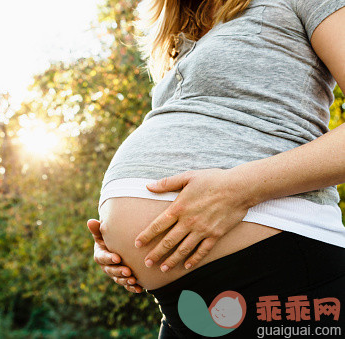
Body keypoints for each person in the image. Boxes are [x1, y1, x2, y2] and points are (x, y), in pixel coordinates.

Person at [88, 0, 345, 337]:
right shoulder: (184, 36)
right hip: (182, 306)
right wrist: (118, 240)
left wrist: (238, 189)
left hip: (281, 270)